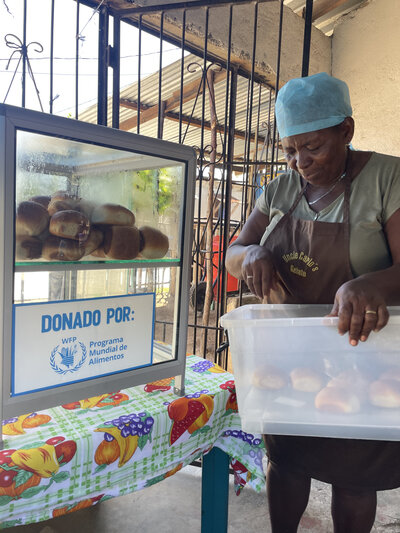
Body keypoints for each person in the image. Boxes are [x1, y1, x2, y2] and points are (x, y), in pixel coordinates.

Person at [225, 72, 400, 532]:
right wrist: (251, 254)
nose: (300, 161)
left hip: (365, 352)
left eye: (313, 147)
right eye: (289, 149)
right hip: (291, 355)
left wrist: (373, 284)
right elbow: (232, 252)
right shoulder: (280, 191)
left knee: (355, 477)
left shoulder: (388, 178)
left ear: (346, 130)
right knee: (287, 461)